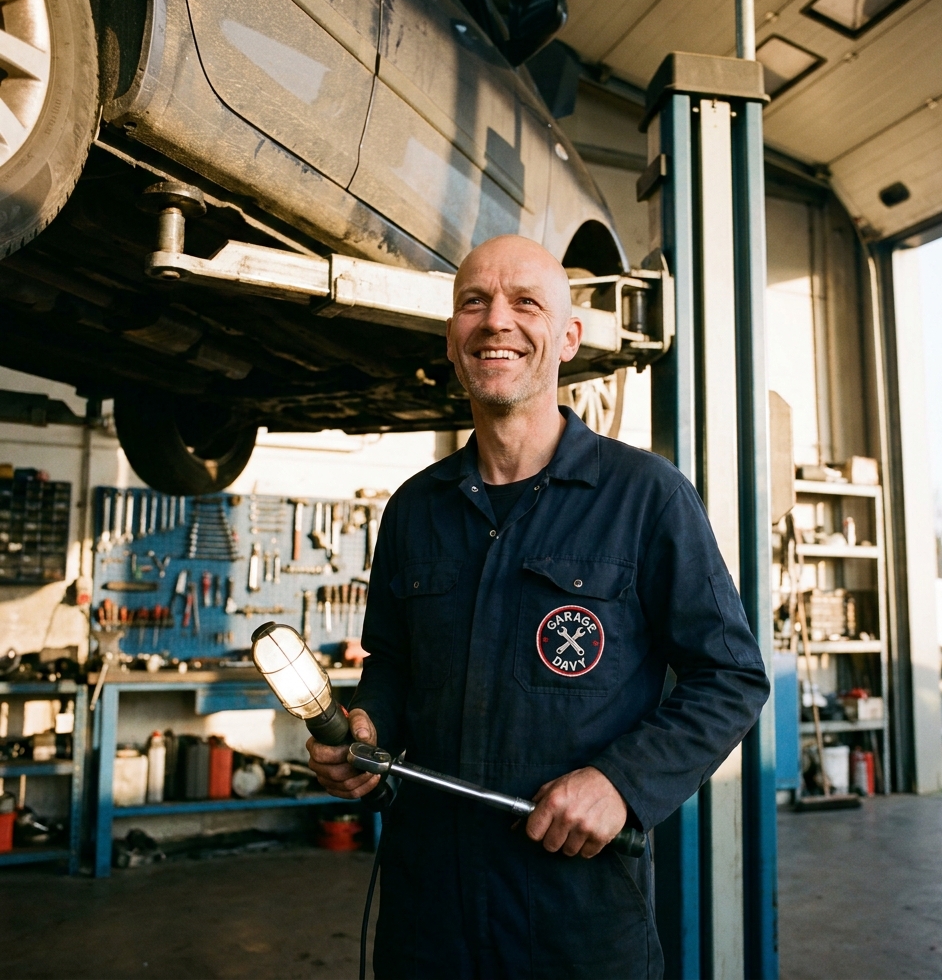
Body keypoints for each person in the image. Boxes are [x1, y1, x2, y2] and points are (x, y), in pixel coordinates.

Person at [307, 235, 770, 978]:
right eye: (473, 302)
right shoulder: (414, 510)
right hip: (428, 916)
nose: (497, 321)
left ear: (568, 337)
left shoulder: (645, 498)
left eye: (525, 302)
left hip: (575, 915)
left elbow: (731, 677)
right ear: (452, 339)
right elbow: (393, 666)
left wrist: (621, 782)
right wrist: (367, 731)